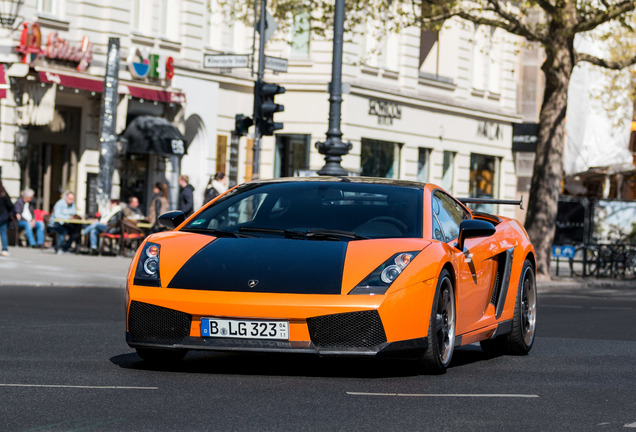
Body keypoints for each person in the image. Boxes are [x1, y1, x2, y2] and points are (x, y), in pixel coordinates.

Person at [0, 179, 16, 257]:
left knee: (3, 232)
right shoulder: (4, 194)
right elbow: (10, 206)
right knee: (3, 233)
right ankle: (5, 249)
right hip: (3, 217)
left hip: (3, 217)